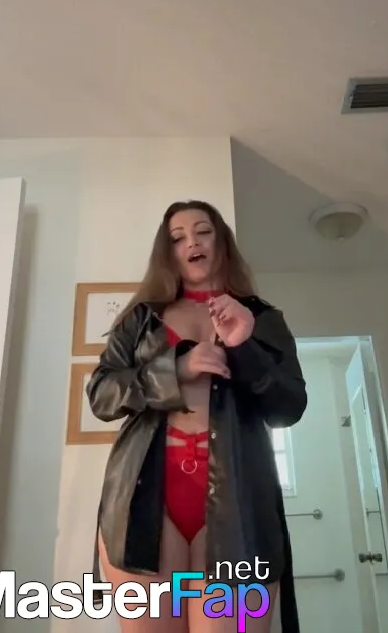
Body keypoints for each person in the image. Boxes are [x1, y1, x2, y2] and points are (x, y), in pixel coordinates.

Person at [86, 200, 307, 632]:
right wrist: (175, 369)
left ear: (220, 241)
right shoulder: (141, 319)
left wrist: (244, 346)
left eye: (203, 231)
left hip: (239, 498)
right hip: (144, 499)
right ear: (167, 252)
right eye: (178, 237)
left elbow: (289, 407)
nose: (192, 242)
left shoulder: (263, 319)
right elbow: (101, 395)